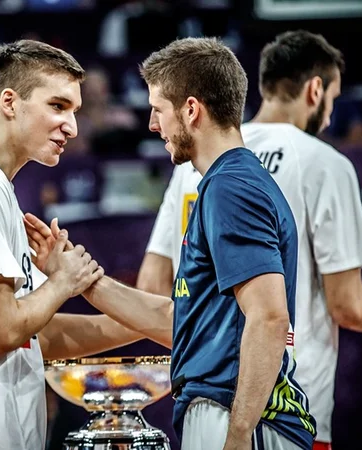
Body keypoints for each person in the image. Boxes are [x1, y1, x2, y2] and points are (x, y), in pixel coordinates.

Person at [135, 30, 362, 449]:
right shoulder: (321, 163)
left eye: (157, 111)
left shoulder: (195, 169)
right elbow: (348, 305)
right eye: (332, 100)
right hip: (278, 402)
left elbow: (156, 285)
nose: (330, 116)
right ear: (315, 90)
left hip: (246, 405)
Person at [25, 37, 315, 450]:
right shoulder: (226, 183)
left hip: (235, 416)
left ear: (191, 110)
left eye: (158, 110)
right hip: (228, 410)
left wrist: (237, 436)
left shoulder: (231, 187)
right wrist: (83, 281)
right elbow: (182, 321)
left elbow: (269, 319)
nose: (152, 124)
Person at [0, 40, 146, 450]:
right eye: (58, 107)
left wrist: (142, 322)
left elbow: (32, 337)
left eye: (75, 112)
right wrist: (62, 283)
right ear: (10, 102)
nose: (72, 127)